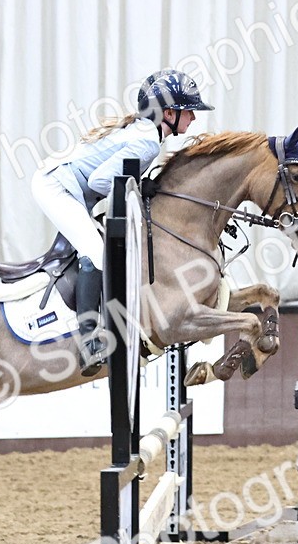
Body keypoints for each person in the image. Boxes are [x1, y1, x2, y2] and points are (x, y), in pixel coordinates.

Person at [31, 69, 214, 375]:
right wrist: (140, 187)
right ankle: (88, 341)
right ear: (168, 113)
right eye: (189, 112)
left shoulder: (146, 134)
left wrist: (138, 183)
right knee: (95, 253)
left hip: (65, 184)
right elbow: (102, 181)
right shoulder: (148, 143)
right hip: (56, 186)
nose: (193, 119)